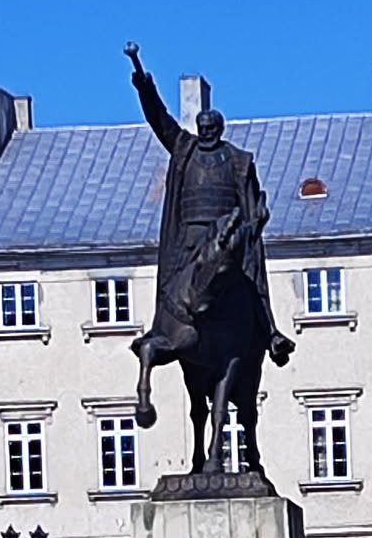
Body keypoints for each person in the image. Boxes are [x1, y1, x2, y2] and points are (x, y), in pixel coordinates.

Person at [125, 42, 294, 367]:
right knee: (171, 283)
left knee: (249, 278)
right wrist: (145, 87)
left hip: (227, 235)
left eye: (210, 129)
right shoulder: (184, 147)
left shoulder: (238, 160)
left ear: (220, 129)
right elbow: (160, 120)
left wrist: (255, 221)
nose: (205, 133)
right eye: (201, 128)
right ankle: (160, 331)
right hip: (188, 236)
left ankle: (270, 332)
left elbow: (251, 203)